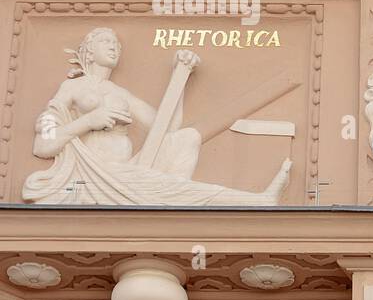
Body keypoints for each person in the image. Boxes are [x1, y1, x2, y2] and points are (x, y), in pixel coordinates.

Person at [23, 27, 291, 205]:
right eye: (106, 41)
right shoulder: (72, 87)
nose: (115, 46)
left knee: (185, 138)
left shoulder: (120, 93)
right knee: (170, 187)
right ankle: (256, 201)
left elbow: (168, 127)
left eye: (116, 43)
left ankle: (169, 198)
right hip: (99, 177)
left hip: (128, 172)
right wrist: (88, 121)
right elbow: (44, 143)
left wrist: (181, 76)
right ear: (89, 50)